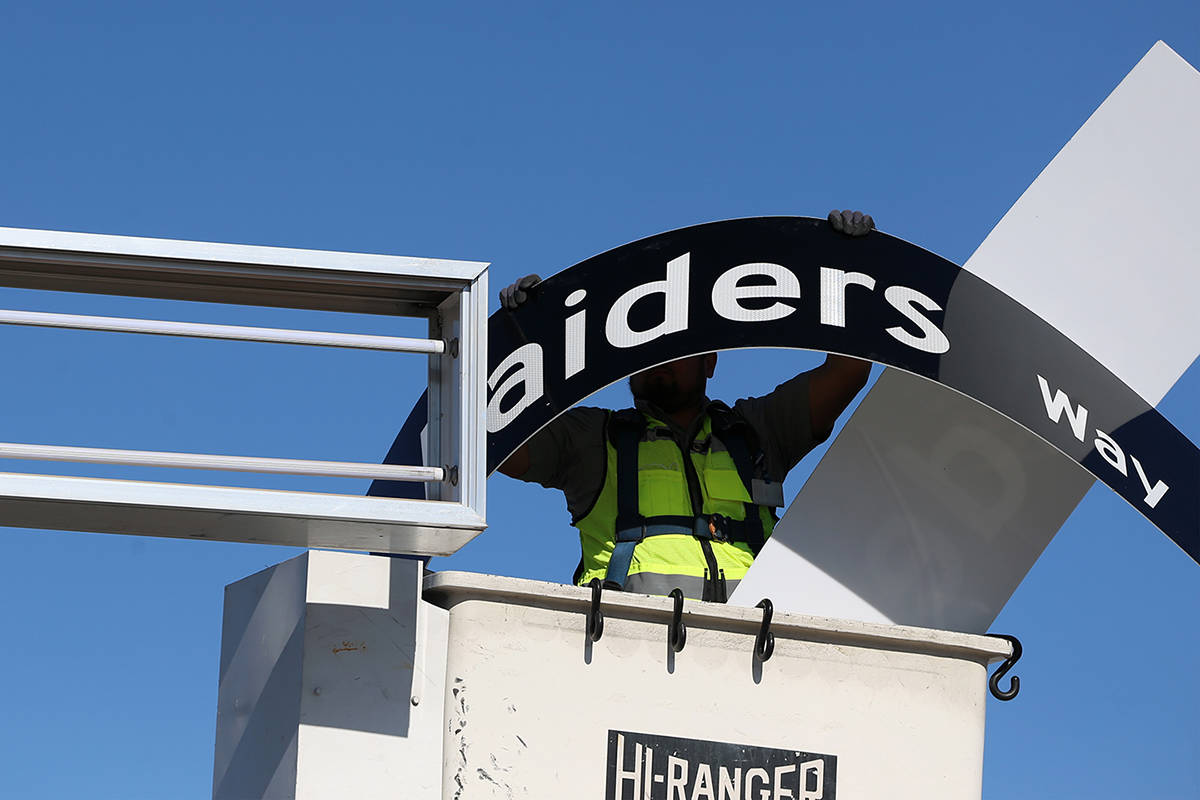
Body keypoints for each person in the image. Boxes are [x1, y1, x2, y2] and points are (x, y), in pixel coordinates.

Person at [497, 211, 875, 602]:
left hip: (754, 646)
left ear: (709, 362)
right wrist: (523, 339)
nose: (659, 359)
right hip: (626, 646)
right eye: (643, 349)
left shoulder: (757, 431)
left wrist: (845, 266)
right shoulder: (591, 439)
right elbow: (494, 443)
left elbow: (848, 371)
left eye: (674, 348)